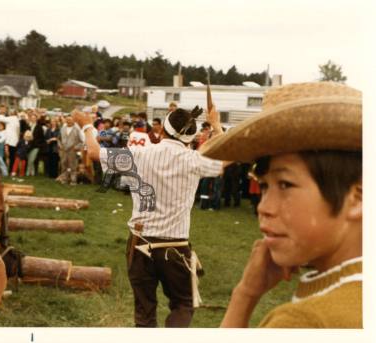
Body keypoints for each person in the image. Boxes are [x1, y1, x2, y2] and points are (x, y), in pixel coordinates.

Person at [200, 82, 362, 328]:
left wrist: (244, 295)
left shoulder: (302, 322)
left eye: (285, 184)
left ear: (358, 197)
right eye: (264, 186)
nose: (264, 208)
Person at [73, 103, 223, 328]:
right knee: (183, 304)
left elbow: (93, 152)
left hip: (139, 243)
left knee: (144, 313)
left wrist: (86, 125)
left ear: (162, 130)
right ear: (191, 138)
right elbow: (226, 156)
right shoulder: (194, 160)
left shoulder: (139, 154)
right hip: (175, 246)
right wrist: (217, 126)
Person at [57, 115, 83, 185]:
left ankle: (73, 180)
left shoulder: (77, 129)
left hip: (72, 150)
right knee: (63, 165)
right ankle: (64, 179)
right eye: (67, 120)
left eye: (70, 120)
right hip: (63, 150)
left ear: (73, 121)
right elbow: (58, 139)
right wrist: (60, 146)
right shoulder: (63, 128)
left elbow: (82, 141)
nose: (68, 121)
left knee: (73, 166)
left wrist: (76, 147)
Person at [0, 105, 20, 172]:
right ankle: (10, 170)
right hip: (14, 140)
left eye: (11, 112)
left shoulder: (12, 118)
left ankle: (9, 170)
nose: (10, 113)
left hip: (10, 141)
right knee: (11, 156)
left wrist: (1, 112)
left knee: (9, 156)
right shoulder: (16, 119)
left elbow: (0, 118)